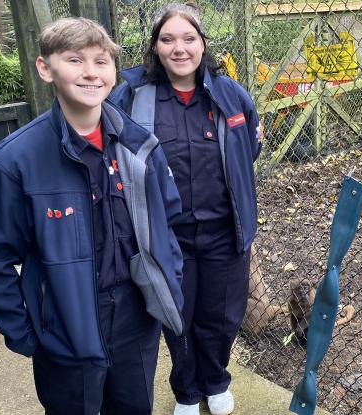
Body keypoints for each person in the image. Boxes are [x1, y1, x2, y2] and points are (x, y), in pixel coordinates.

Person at [0, 17, 184, 414]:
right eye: (75, 60)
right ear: (46, 68)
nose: (90, 73)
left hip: (135, 320)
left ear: (114, 71)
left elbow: (167, 222)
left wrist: (168, 288)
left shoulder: (139, 146)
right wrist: (27, 333)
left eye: (101, 61)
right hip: (65, 325)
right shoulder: (12, 162)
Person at [110, 3, 261, 415]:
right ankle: (186, 391)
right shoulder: (131, 97)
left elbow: (251, 147)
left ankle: (216, 381)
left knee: (222, 317)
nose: (180, 48)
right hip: (166, 237)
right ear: (155, 48)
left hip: (224, 234)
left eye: (189, 38)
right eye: (168, 39)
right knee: (177, 317)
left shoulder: (230, 94)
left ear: (203, 44)